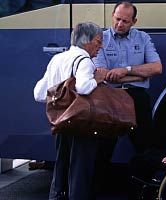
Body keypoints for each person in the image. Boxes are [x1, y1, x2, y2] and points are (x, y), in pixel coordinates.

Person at [34, 22, 108, 200]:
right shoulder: (84, 61)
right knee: (80, 171)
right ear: (86, 41)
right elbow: (83, 88)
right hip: (81, 123)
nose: (101, 46)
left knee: (61, 166)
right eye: (98, 41)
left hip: (61, 122)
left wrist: (61, 99)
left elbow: (38, 93)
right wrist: (97, 79)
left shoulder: (57, 59)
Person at [93, 1, 162, 152]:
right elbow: (101, 74)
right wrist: (139, 76)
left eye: (125, 21)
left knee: (145, 146)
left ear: (134, 22)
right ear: (112, 16)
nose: (120, 24)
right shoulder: (100, 39)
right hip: (109, 97)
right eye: (117, 19)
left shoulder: (143, 38)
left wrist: (125, 70)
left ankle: (142, 175)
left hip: (137, 98)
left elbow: (157, 68)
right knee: (103, 148)